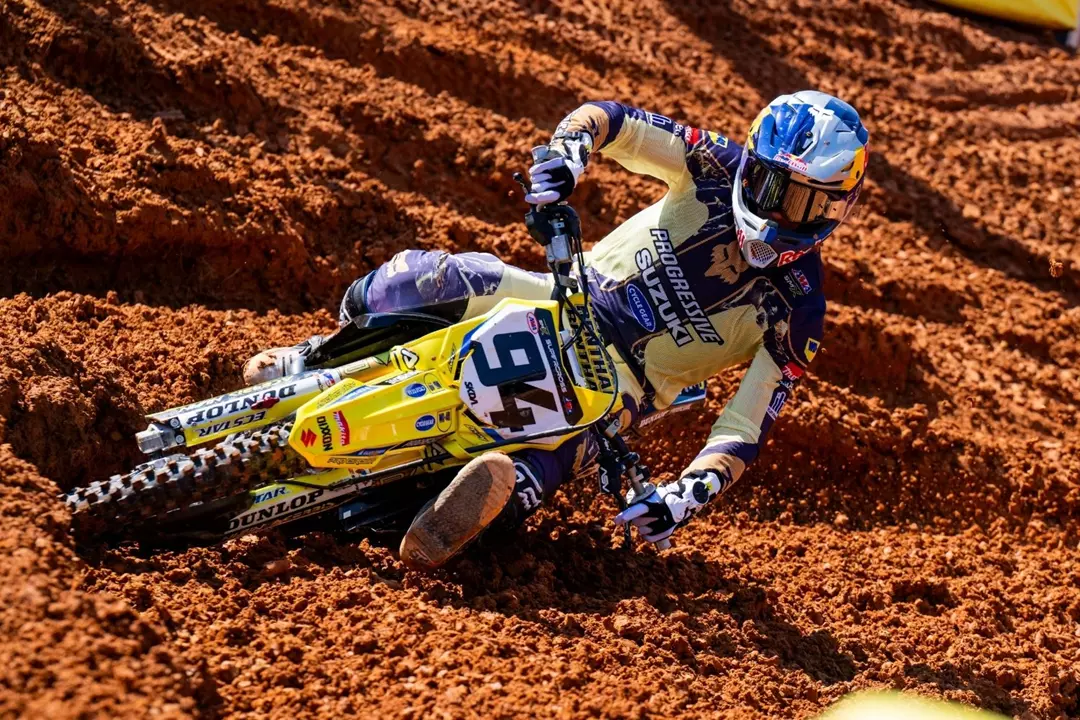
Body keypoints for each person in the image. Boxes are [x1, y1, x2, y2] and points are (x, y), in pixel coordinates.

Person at [244, 91, 870, 570]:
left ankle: (419, 521)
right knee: (425, 279)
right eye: (771, 186)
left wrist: (683, 496)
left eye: (806, 202)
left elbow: (744, 427)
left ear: (837, 208)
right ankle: (316, 360)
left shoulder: (799, 310)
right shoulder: (712, 163)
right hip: (566, 294)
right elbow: (612, 120)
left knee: (521, 485)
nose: (780, 210)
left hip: (617, 396)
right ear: (751, 164)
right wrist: (569, 155)